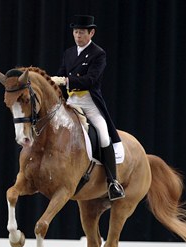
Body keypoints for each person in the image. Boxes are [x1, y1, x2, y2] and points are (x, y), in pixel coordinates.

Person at [51, 15, 125, 201]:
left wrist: (67, 80)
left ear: (91, 33)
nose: (78, 36)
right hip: (71, 100)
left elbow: (91, 79)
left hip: (89, 102)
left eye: (81, 32)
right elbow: (61, 73)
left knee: (103, 134)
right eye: (75, 32)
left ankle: (112, 181)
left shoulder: (98, 53)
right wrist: (51, 82)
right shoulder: (69, 53)